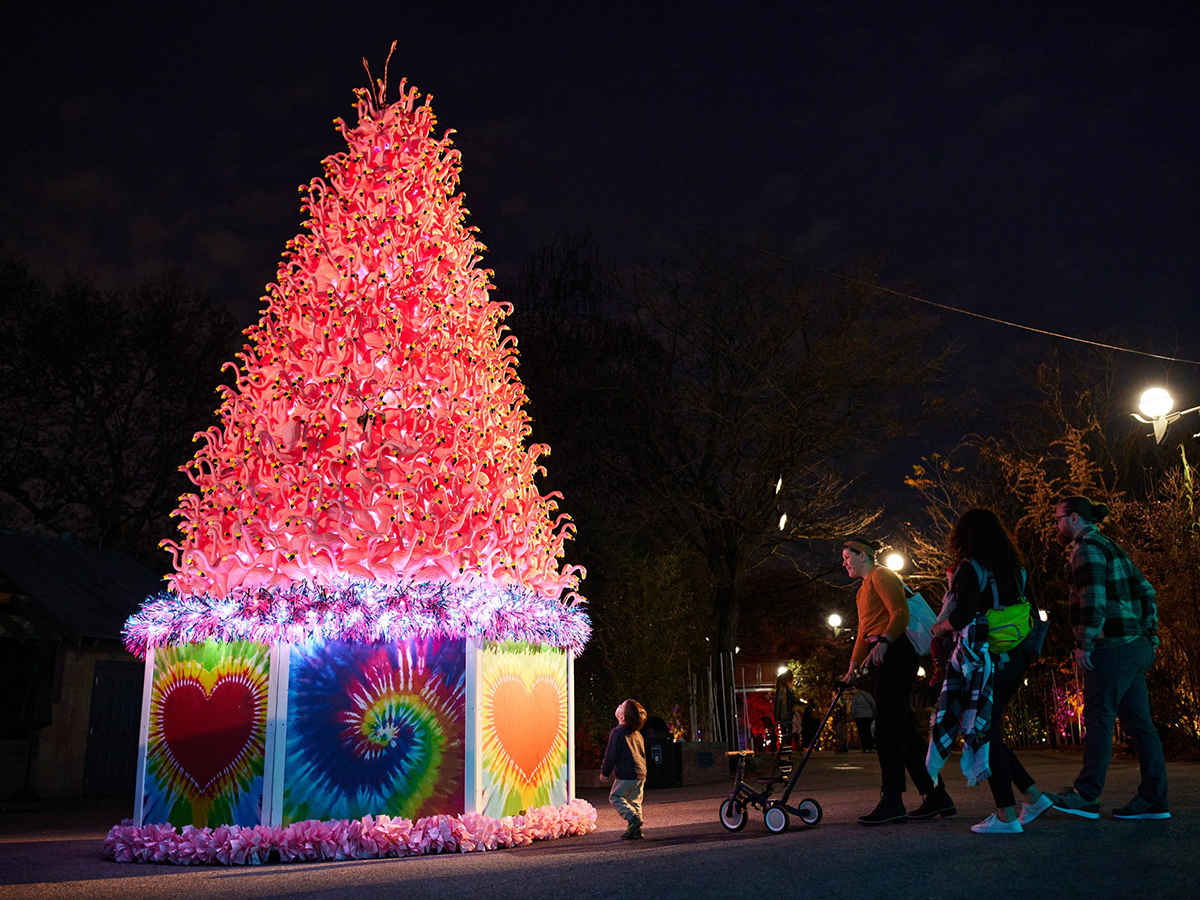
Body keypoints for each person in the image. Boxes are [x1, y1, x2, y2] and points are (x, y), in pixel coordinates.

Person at [1046, 496, 1169, 820]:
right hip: (1134, 645)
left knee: (1099, 718)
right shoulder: (1111, 546)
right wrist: (1150, 635)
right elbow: (1147, 591)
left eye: (1057, 519)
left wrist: (1085, 644)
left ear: (1073, 518)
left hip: (1111, 646)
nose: (1055, 525)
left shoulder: (1085, 548)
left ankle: (1086, 794)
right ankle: (1154, 799)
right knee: (1139, 724)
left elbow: (1093, 600)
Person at [930, 508, 1051, 834]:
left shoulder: (971, 567)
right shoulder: (1016, 569)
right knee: (990, 729)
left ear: (964, 536)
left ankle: (1006, 816)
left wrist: (940, 626)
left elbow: (963, 613)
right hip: (1015, 661)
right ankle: (1033, 796)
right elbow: (1034, 613)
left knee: (987, 736)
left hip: (985, 664)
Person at [841, 537, 954, 825]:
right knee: (901, 727)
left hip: (897, 651)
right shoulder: (863, 589)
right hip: (884, 652)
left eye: (847, 556)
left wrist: (886, 641)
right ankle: (935, 794)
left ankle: (893, 798)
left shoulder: (882, 575)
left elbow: (900, 613)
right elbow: (864, 632)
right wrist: (853, 666)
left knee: (888, 726)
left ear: (864, 554)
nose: (844, 562)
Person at [599, 699, 649, 839]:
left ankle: (632, 819)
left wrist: (605, 772)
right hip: (640, 774)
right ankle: (636, 831)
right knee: (635, 802)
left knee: (615, 797)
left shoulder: (617, 732)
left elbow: (611, 754)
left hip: (626, 774)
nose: (618, 705)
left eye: (621, 705)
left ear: (622, 717)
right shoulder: (638, 735)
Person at [773, 670, 803, 750]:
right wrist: (801, 703)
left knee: (783, 730)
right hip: (786, 713)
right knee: (789, 730)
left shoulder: (779, 690)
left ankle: (784, 746)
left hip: (780, 714)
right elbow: (792, 699)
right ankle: (788, 746)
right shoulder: (786, 689)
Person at [850, 686, 876, 752]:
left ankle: (866, 747)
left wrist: (851, 716)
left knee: (862, 732)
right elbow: (873, 703)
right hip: (869, 715)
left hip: (860, 716)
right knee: (868, 731)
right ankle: (871, 746)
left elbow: (853, 707)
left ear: (857, 688)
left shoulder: (856, 696)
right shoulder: (868, 695)